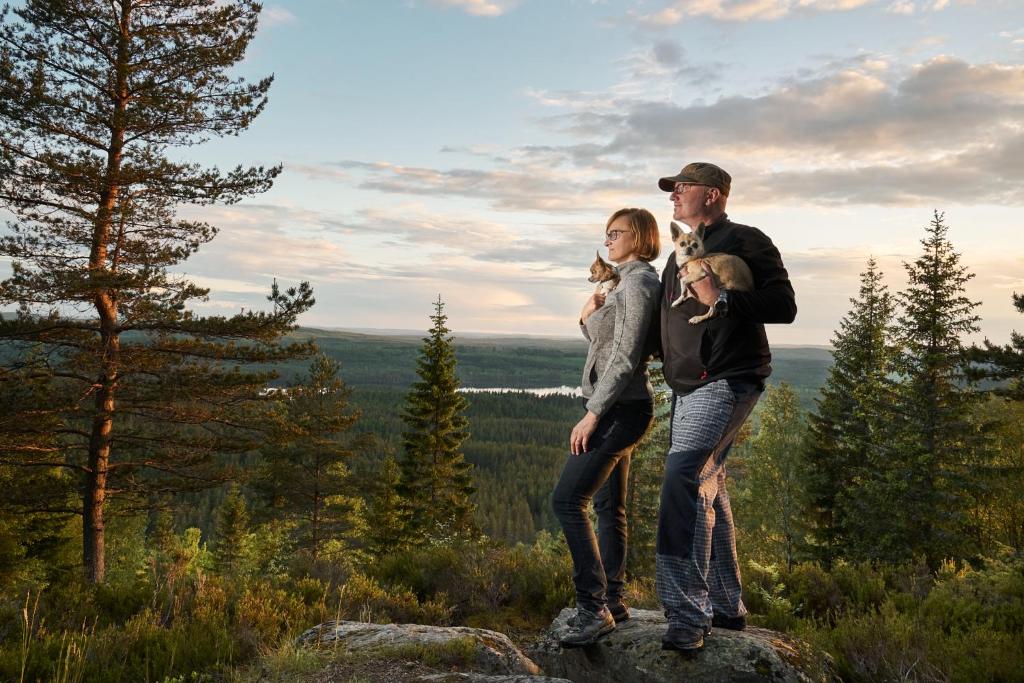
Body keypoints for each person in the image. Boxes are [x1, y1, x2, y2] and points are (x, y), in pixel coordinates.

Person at [655, 162, 796, 652]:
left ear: (712, 195)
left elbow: (784, 306)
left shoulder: (746, 239)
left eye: (682, 187)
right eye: (672, 190)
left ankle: (687, 615)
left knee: (685, 478)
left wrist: (723, 299)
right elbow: (667, 322)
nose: (674, 195)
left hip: (728, 376)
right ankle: (726, 605)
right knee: (709, 485)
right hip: (686, 384)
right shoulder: (679, 251)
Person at [552, 207, 661, 648]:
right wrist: (586, 317)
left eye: (615, 233)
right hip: (620, 405)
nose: (608, 240)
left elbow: (626, 356)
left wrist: (593, 412)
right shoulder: (624, 282)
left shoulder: (636, 284)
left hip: (619, 409)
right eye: (607, 233)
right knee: (608, 508)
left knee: (567, 500)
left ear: (638, 236)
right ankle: (613, 600)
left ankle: (592, 608)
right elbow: (606, 344)